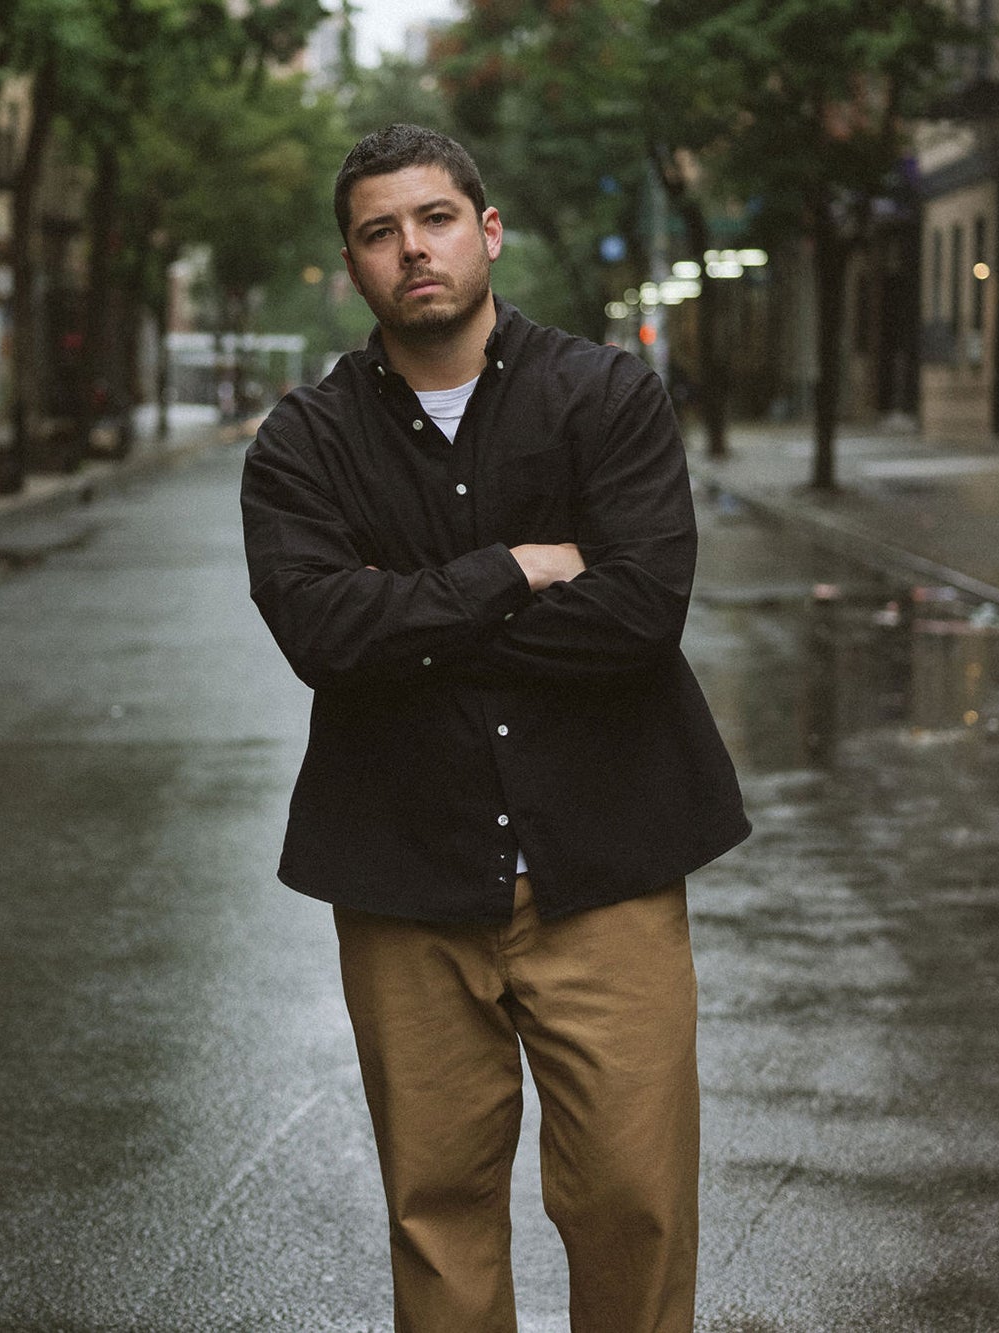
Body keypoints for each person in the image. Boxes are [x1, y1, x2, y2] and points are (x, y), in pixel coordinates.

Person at [240, 124, 750, 1333]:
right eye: (378, 232)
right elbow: (323, 633)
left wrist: (410, 613)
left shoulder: (605, 394)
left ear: (486, 231)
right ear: (351, 264)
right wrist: (518, 568)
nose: (409, 248)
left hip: (604, 868)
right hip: (406, 876)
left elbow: (636, 613)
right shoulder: (303, 443)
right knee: (436, 1212)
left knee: (634, 1203)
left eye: (431, 218)